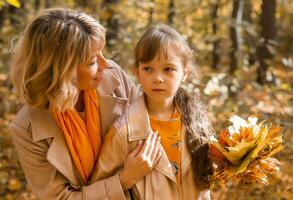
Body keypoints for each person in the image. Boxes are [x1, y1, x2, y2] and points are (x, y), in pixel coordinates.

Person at [9, 8, 161, 200]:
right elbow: (60, 198)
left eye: (101, 54)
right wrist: (124, 180)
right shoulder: (26, 129)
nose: (105, 65)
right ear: (61, 72)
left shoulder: (113, 76)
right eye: (92, 62)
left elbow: (155, 126)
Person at [91, 24, 214, 199]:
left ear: (185, 73)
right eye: (148, 69)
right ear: (137, 72)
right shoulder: (123, 132)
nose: (157, 78)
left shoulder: (196, 122)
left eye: (168, 69)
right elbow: (101, 191)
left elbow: (204, 188)